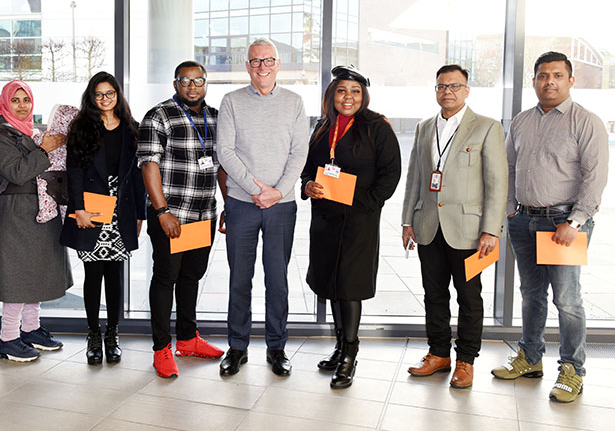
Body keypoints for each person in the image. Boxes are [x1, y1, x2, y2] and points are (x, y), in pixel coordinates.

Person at [492, 52, 608, 403]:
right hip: (523, 219)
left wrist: (575, 221)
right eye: (543, 76)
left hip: (565, 223)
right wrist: (511, 210)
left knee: (568, 299)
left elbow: (595, 177)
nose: (550, 82)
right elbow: (509, 169)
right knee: (531, 293)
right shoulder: (522, 121)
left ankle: (573, 369)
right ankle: (530, 357)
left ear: (571, 80)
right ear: (534, 81)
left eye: (558, 75)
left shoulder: (586, 122)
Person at [401, 64, 507, 389]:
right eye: (441, 86)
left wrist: (491, 229)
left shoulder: (487, 127)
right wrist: (408, 220)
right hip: (428, 225)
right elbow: (415, 178)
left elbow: (497, 182)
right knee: (433, 294)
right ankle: (438, 354)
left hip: (470, 232)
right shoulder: (423, 127)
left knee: (469, 297)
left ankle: (466, 361)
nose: (447, 91)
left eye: (454, 86)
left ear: (467, 90)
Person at [301, 65, 401, 388]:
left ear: (364, 96)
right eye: (342, 91)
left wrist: (369, 203)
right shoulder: (321, 127)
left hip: (359, 219)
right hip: (326, 218)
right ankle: (340, 344)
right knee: (331, 281)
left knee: (350, 284)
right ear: (332, 95)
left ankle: (350, 354)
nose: (349, 97)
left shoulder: (377, 127)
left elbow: (391, 173)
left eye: (355, 91)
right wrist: (307, 186)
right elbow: (308, 168)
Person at [217, 38, 309, 377]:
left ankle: (277, 347)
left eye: (268, 60)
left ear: (278, 63)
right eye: (255, 61)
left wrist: (278, 191)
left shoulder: (294, 102)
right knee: (240, 279)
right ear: (247, 66)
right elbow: (225, 152)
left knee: (278, 279)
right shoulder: (231, 102)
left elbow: (299, 153)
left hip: (281, 207)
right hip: (242, 203)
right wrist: (258, 189)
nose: (262, 67)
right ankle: (237, 347)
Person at [138, 60, 225, 378]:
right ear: (175, 84)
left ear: (206, 83)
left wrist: (226, 204)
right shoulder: (159, 115)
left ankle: (188, 339)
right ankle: (161, 348)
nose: (192, 87)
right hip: (172, 215)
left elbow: (222, 166)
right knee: (165, 278)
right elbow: (149, 165)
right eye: (185, 81)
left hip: (203, 214)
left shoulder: (216, 117)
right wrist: (162, 212)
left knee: (191, 277)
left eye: (198, 81)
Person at [60, 71, 146, 365]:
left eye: (110, 94)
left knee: (115, 275)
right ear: (91, 98)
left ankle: (113, 334)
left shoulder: (131, 128)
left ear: (117, 95)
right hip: (92, 206)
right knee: (93, 274)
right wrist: (78, 208)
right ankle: (93, 335)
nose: (105, 99)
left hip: (122, 209)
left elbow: (137, 176)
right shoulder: (82, 127)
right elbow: (73, 171)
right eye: (99, 95)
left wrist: (140, 214)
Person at [0, 80, 72, 362]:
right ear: (5, 104)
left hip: (41, 211)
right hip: (16, 213)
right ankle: (8, 338)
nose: (22, 106)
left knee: (36, 271)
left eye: (26, 100)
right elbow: (17, 172)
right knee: (18, 274)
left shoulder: (33, 133)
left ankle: (30, 329)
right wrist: (44, 150)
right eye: (16, 100)